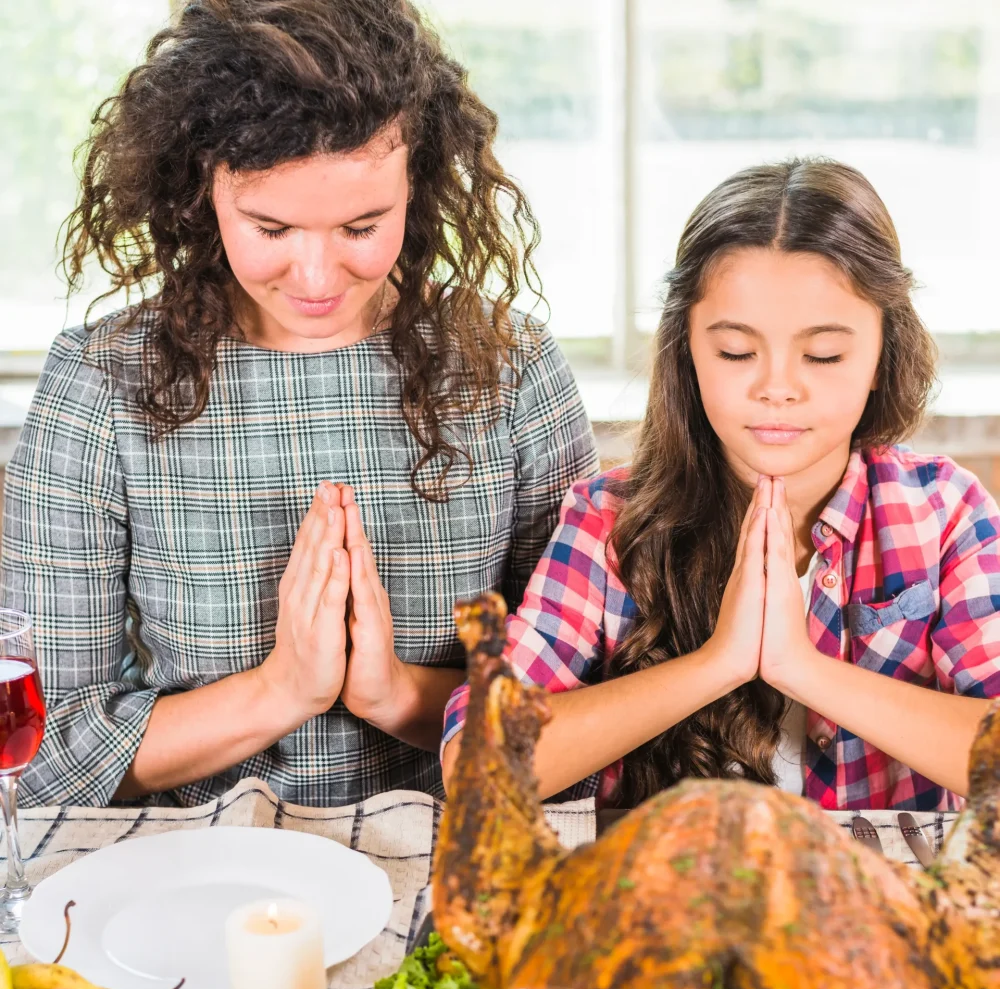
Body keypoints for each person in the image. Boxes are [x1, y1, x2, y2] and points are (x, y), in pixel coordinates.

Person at [0, 0, 597, 807]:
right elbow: (43, 758)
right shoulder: (100, 384)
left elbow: (587, 720)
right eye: (270, 227)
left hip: (458, 863)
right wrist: (281, 691)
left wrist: (393, 695)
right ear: (200, 188)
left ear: (415, 189)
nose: (315, 281)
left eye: (361, 226)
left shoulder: (513, 368)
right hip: (194, 879)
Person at [442, 158, 1000, 812]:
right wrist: (720, 661)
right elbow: (477, 765)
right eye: (736, 351)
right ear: (688, 351)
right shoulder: (606, 523)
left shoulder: (945, 513)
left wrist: (803, 669)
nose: (778, 387)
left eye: (824, 355)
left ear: (884, 353)